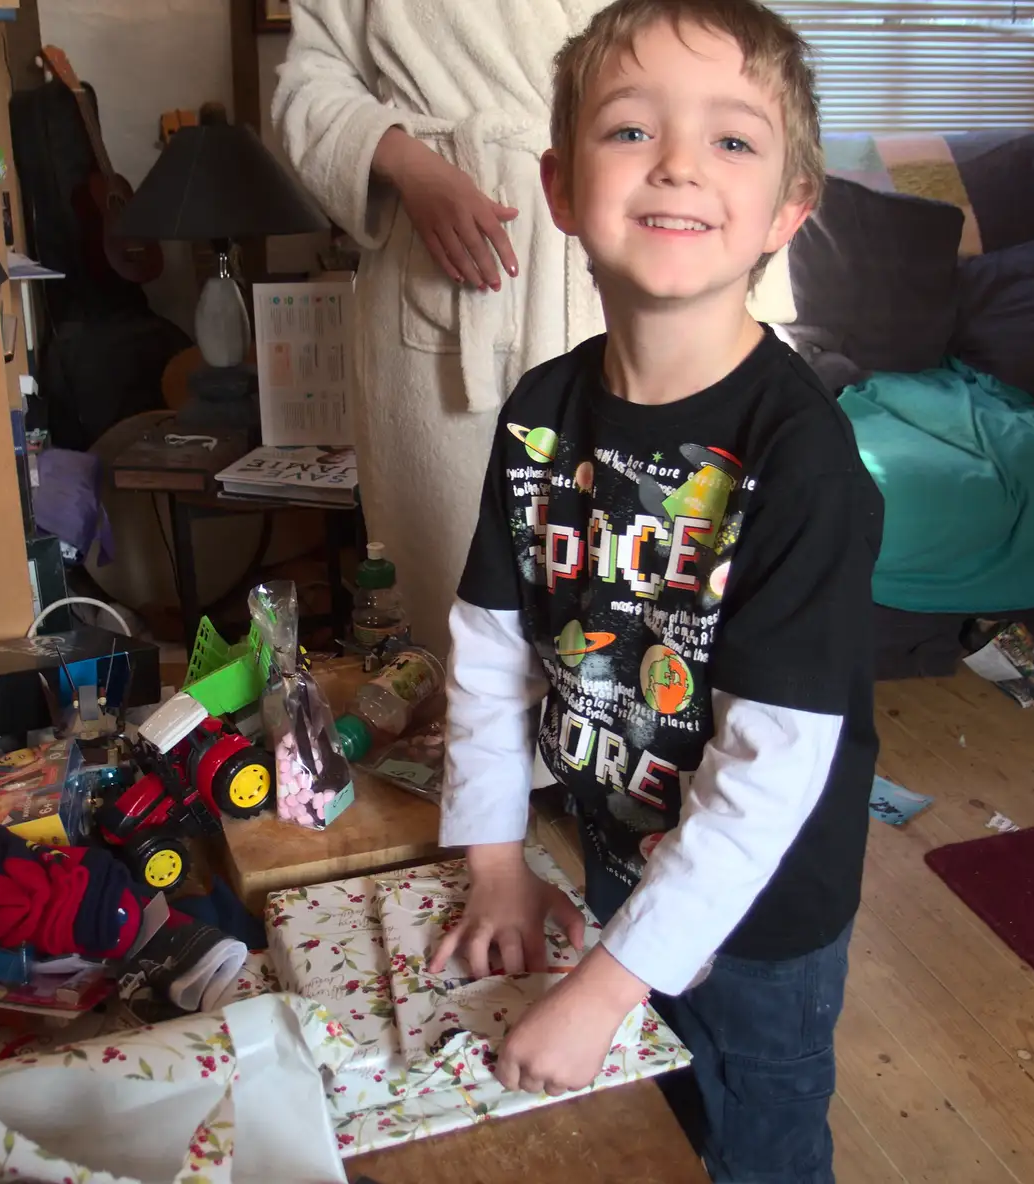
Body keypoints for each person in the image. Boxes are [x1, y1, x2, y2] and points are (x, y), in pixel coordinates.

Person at [428, 2, 883, 1181]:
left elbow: (767, 774)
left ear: (788, 208)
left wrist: (608, 981)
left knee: (752, 1138)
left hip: (762, 921)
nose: (678, 159)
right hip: (611, 854)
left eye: (732, 140)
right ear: (561, 187)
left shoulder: (806, 464)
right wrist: (493, 858)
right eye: (631, 129)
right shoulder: (539, 414)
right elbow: (488, 647)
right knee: (645, 1129)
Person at [273, 1, 614, 657]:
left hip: (611, 252)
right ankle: (454, 750)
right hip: (443, 281)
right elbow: (308, 88)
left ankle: (592, 753)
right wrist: (408, 163)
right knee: (448, 575)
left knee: (612, 577)